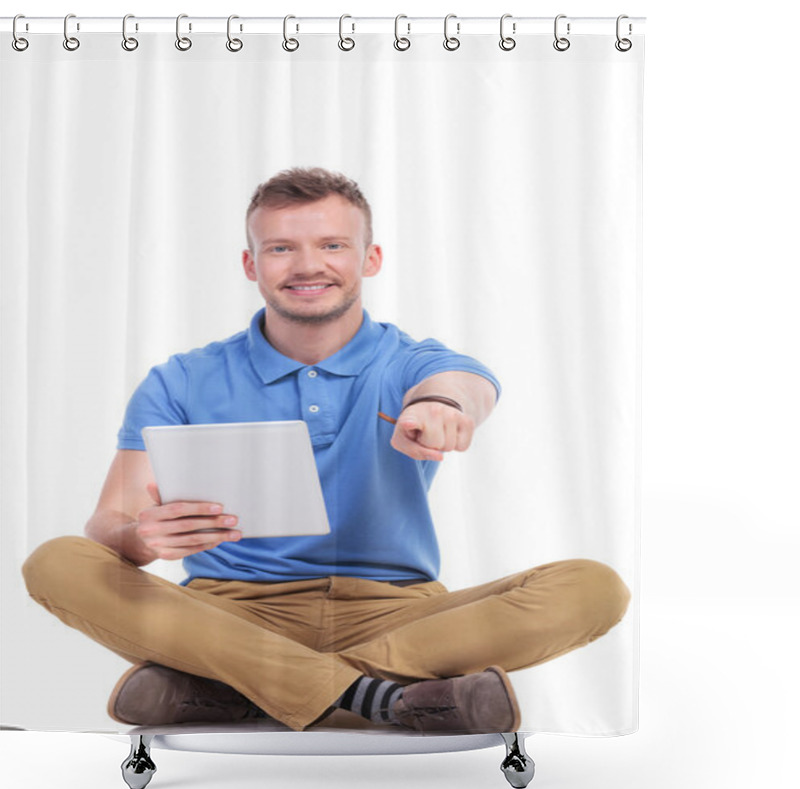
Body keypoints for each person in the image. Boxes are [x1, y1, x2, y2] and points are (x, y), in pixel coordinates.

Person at [22, 167, 630, 734]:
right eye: (281, 247)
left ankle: (245, 689)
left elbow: (462, 384)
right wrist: (143, 539)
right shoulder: (180, 379)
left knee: (592, 586)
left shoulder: (408, 361)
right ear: (250, 263)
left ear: (370, 258)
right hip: (229, 615)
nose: (308, 265)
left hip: (401, 617)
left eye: (333, 245)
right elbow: (110, 524)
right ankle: (375, 699)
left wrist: (441, 408)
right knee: (58, 561)